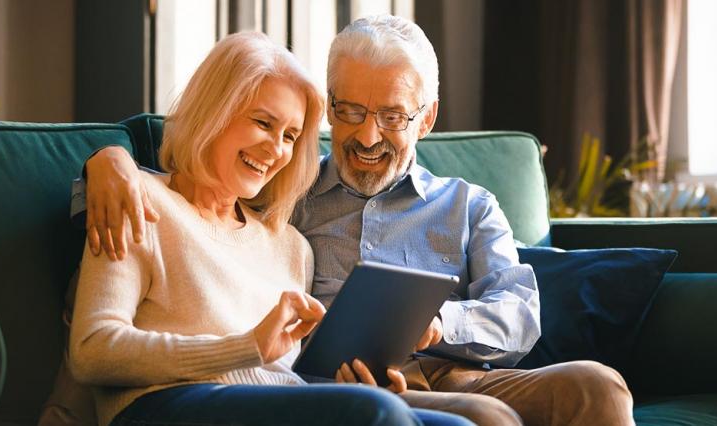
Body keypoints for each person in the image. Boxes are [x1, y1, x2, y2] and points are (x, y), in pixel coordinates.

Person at [77, 16, 635, 426]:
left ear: (427, 118)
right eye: (349, 111)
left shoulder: (470, 205)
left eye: (392, 115)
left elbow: (519, 316)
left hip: (459, 370)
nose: (367, 137)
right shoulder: (282, 193)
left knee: (598, 387)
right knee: (482, 419)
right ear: (331, 103)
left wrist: (440, 325)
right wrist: (107, 161)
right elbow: (190, 186)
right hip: (334, 386)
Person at [64, 31, 472, 426]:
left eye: (290, 136)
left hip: (275, 404)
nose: (276, 150)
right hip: (163, 405)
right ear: (214, 110)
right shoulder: (137, 200)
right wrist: (246, 348)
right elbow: (91, 349)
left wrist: (360, 382)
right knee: (375, 415)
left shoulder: (292, 247)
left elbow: (286, 382)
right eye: (263, 122)